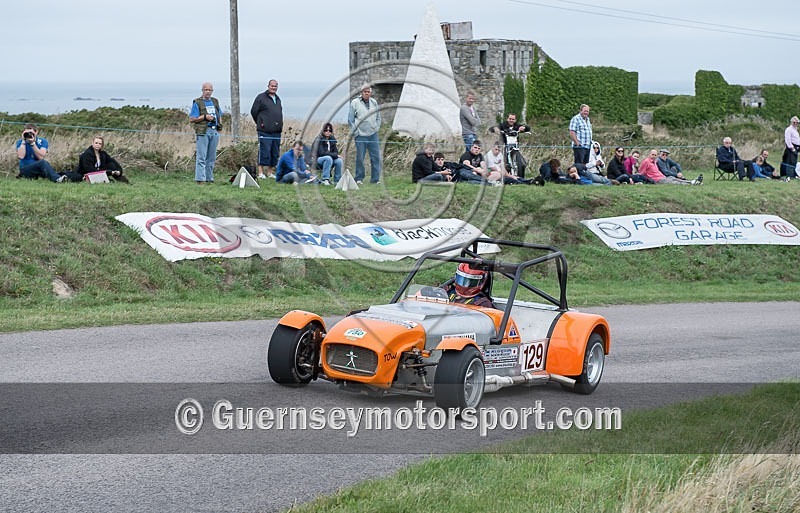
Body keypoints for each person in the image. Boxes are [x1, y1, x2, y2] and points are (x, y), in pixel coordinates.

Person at [348, 84, 382, 184]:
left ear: (370, 93)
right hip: (360, 136)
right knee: (360, 158)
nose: (367, 93)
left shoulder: (374, 102)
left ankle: (375, 179)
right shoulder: (355, 102)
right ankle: (359, 178)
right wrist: (356, 132)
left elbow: (378, 117)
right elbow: (350, 120)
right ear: (361, 93)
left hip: (373, 135)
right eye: (365, 92)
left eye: (368, 92)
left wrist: (377, 128)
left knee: (376, 158)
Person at [189, 82, 222, 184]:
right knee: (201, 156)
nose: (208, 92)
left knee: (211, 157)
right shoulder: (197, 102)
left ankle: (209, 178)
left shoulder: (215, 101)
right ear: (202, 90)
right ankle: (200, 179)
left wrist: (219, 126)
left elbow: (219, 114)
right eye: (206, 90)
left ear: (212, 91)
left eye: (209, 90)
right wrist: (204, 117)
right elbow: (192, 118)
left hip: (214, 131)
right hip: (203, 131)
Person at [251, 79, 283, 179]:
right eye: (272, 86)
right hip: (265, 131)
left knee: (274, 152)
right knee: (264, 151)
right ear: (268, 86)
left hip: (276, 131)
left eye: (275, 86)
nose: (274, 88)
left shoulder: (278, 98)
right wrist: (261, 122)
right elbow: (254, 112)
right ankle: (260, 173)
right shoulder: (261, 97)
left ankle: (270, 172)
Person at [782, 116, 800, 180]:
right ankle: (789, 175)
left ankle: (792, 174)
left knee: (794, 162)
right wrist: (792, 148)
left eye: (797, 122)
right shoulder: (789, 129)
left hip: (797, 147)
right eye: (794, 122)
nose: (795, 123)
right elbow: (788, 140)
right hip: (791, 147)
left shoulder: (795, 130)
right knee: (790, 161)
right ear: (791, 122)